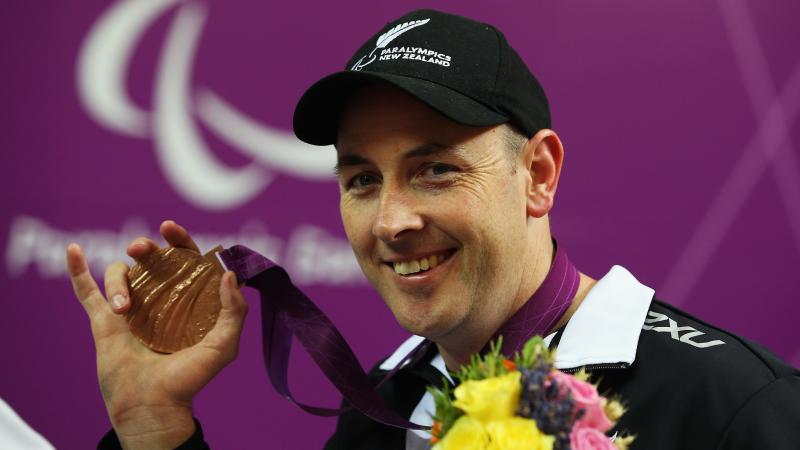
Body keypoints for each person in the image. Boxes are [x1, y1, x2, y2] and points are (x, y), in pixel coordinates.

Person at [66, 9, 800, 450]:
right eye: (361, 180)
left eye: (436, 170)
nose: (391, 221)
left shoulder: (731, 406)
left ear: (538, 176)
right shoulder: (383, 416)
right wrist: (155, 429)